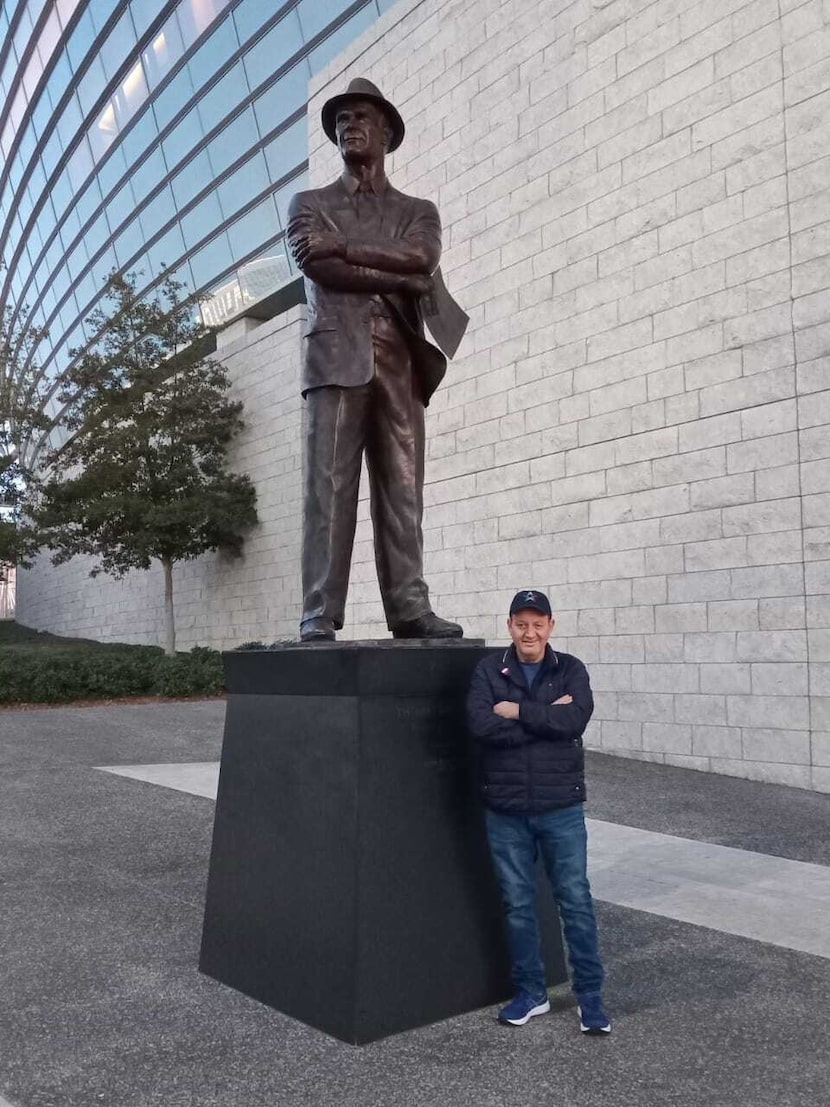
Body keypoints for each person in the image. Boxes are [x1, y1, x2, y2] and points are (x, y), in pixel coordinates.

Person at [286, 77, 467, 643]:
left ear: (387, 131)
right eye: (341, 121)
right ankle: (319, 611)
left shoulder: (419, 210)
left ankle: (410, 608)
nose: (349, 126)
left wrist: (346, 247)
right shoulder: (309, 204)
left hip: (400, 362)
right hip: (336, 356)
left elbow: (422, 256)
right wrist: (397, 274)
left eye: (361, 117)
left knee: (403, 489)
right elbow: (319, 267)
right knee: (328, 489)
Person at [465, 589, 610, 1034]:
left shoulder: (571, 669)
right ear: (509, 625)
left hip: (559, 808)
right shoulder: (490, 670)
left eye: (537, 623)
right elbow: (480, 725)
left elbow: (576, 719)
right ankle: (532, 993)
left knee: (576, 903)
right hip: (505, 810)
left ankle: (590, 998)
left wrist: (516, 712)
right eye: (521, 623)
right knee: (517, 905)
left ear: (551, 625)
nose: (530, 632)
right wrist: (545, 718)